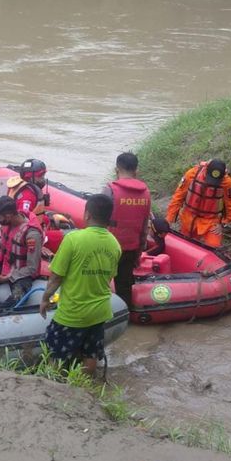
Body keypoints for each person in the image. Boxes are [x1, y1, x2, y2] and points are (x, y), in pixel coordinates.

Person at [39, 194, 121, 376]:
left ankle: (52, 386)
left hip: (73, 313)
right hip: (100, 312)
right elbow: (108, 279)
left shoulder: (73, 239)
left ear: (87, 215)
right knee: (90, 355)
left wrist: (45, 299)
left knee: (55, 356)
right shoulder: (115, 244)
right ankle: (84, 389)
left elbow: (56, 277)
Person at [102, 152, 150, 309]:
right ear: (137, 171)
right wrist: (139, 251)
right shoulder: (145, 193)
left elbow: (98, 221)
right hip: (131, 248)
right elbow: (144, 227)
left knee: (100, 285)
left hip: (108, 248)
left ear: (117, 170)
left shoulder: (109, 190)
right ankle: (124, 319)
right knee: (124, 286)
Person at [165, 159, 231, 248]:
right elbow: (178, 197)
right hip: (189, 217)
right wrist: (169, 219)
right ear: (206, 169)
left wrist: (223, 223)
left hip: (211, 221)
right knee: (186, 245)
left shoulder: (227, 183)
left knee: (213, 246)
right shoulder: (192, 174)